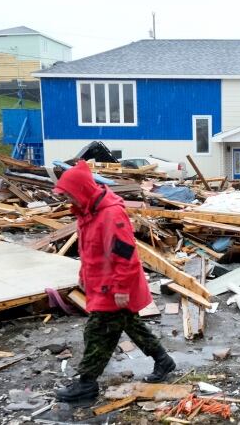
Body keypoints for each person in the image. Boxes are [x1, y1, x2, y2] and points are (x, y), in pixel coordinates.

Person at [53, 161, 176, 402]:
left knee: (97, 332)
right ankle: (164, 361)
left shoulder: (111, 214)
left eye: (69, 194)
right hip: (103, 283)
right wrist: (83, 274)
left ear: (81, 191)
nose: (68, 200)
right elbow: (89, 250)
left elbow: (125, 254)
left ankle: (87, 383)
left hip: (117, 286)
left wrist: (121, 288)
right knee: (131, 324)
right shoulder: (88, 212)